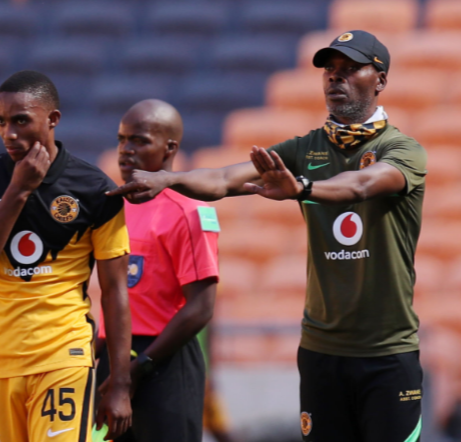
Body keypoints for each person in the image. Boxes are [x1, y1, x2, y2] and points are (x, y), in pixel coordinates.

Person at [109, 31, 427, 442]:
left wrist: (303, 188)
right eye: (330, 70)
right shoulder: (305, 149)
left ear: (380, 79)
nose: (335, 78)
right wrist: (165, 179)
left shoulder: (403, 149)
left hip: (387, 353)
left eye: (350, 69)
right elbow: (224, 178)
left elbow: (362, 184)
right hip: (320, 351)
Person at [0, 70, 133, 442]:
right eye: (0, 122)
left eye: (21, 120)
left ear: (53, 119)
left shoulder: (96, 189)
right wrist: (18, 190)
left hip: (62, 353)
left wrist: (119, 383)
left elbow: (116, 290)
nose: (9, 133)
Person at [95, 99, 220, 442]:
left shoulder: (190, 212)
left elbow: (201, 307)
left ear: (170, 148)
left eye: (139, 141)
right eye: (122, 140)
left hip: (164, 362)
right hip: (113, 360)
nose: (125, 150)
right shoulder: (109, 209)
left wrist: (142, 366)